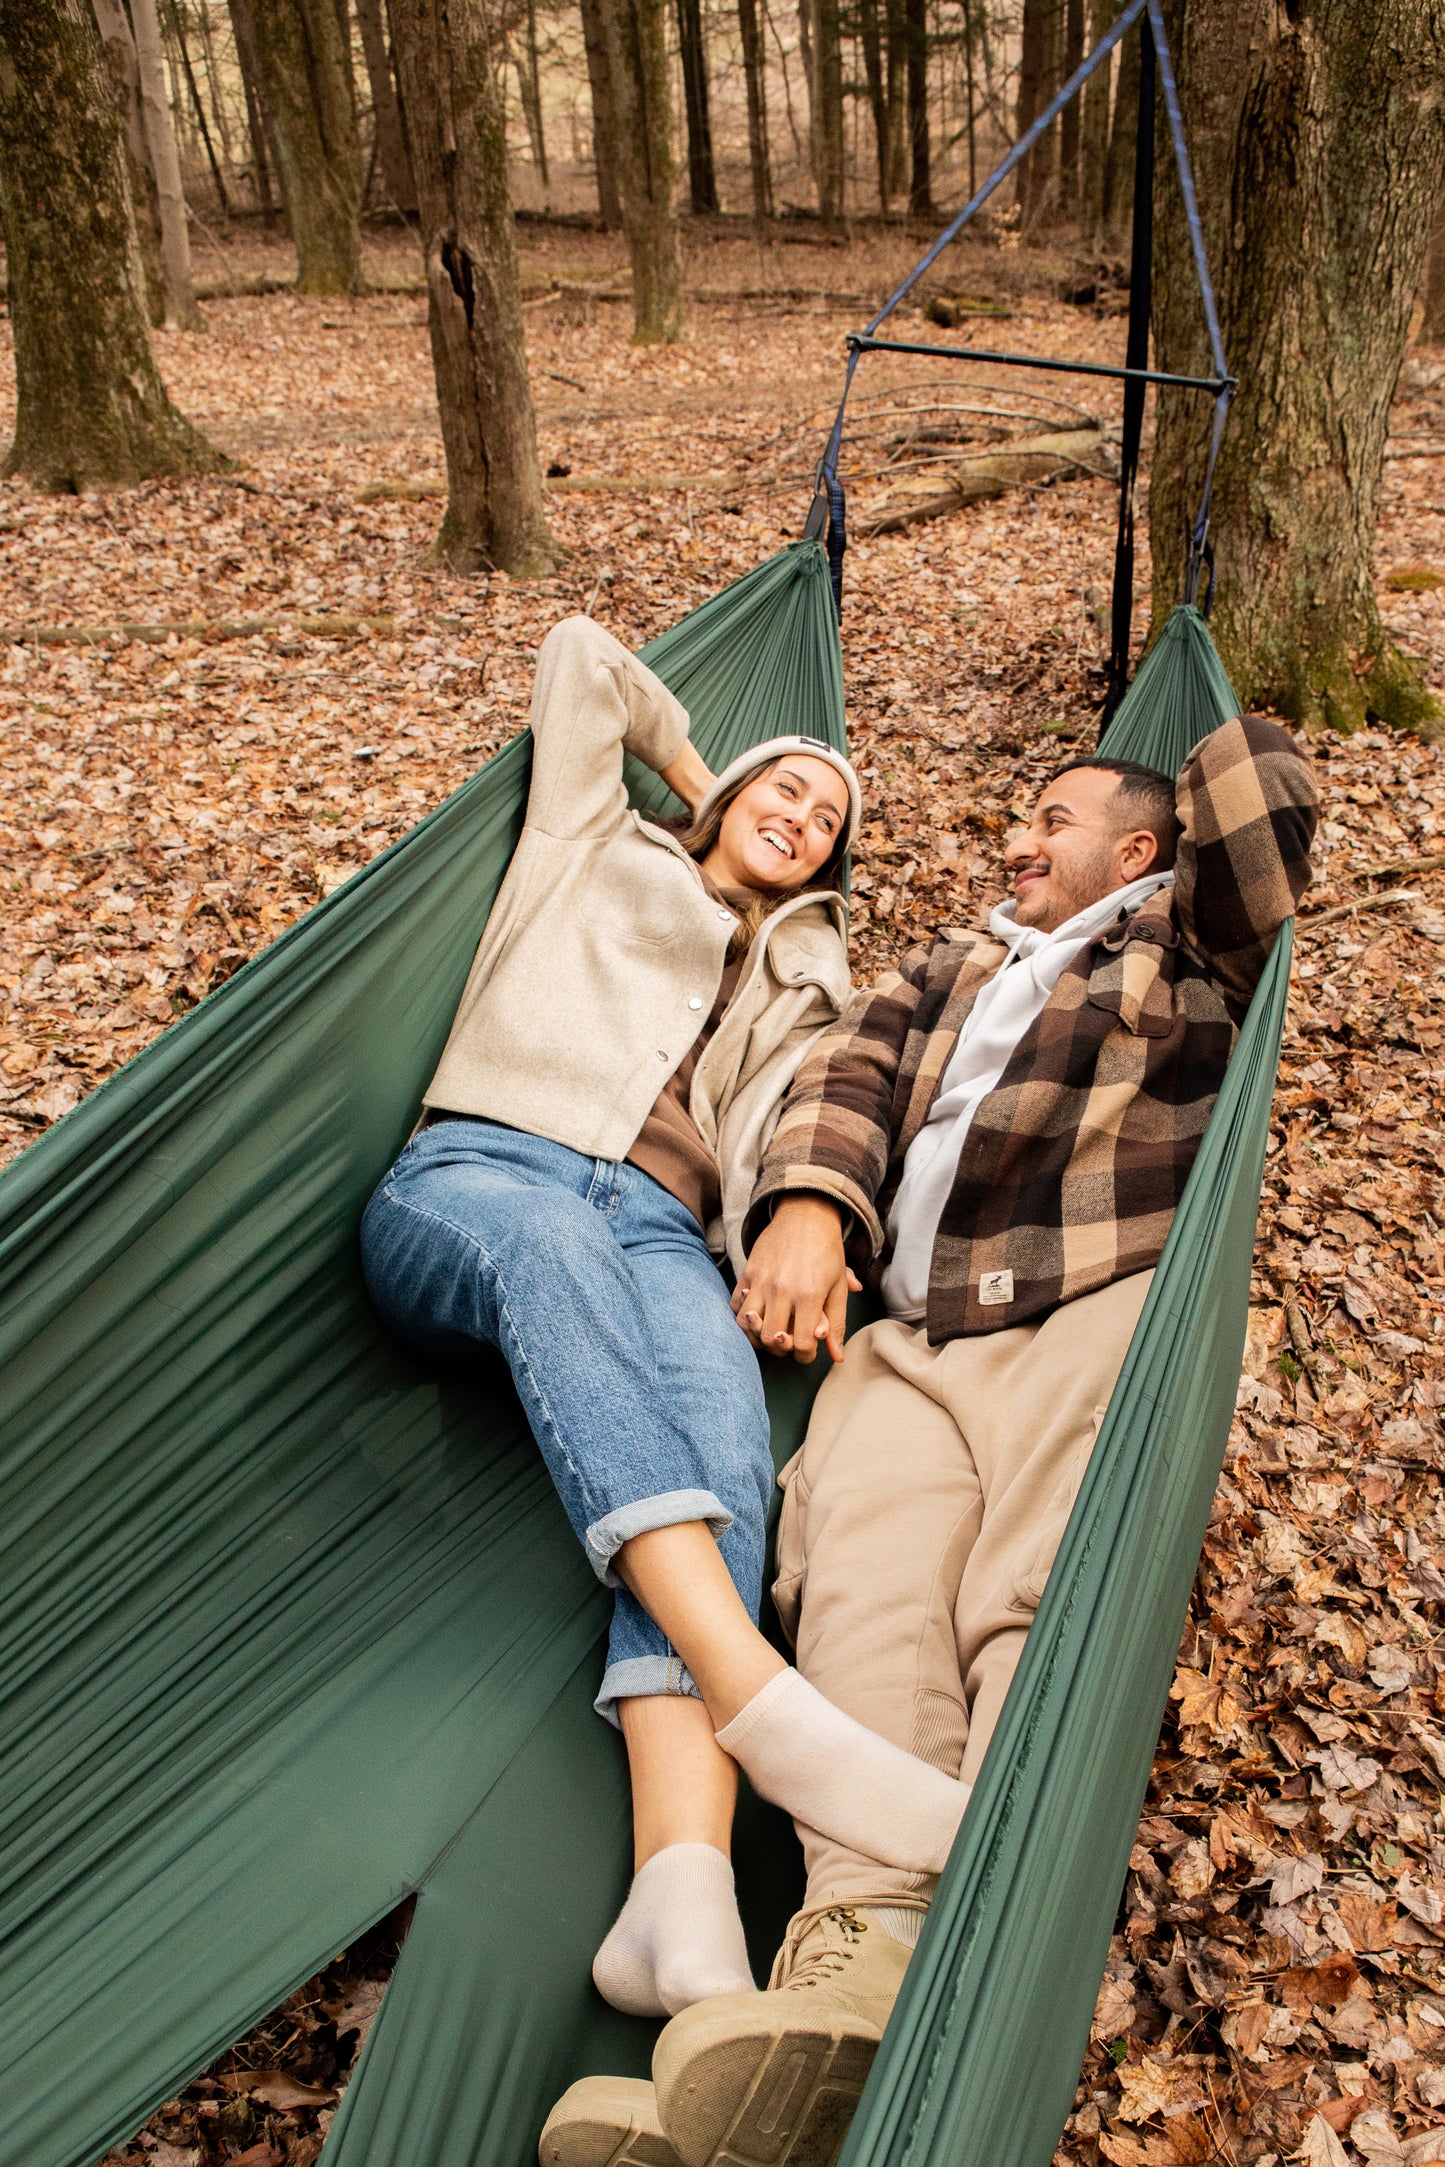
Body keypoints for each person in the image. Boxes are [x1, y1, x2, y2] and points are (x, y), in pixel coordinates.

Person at [541, 711, 1317, 2167]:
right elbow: (841, 1086)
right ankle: (851, 1977)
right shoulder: (942, 969)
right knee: (859, 1606)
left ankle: (980, 1968)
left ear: (1139, 853)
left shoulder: (1185, 947)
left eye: (1050, 818)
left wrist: (1196, 643)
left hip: (1091, 1299)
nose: (1011, 842)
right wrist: (807, 1209)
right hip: (904, 1335)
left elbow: (1259, 797)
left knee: (1019, 1597)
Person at [361, 615, 975, 2027]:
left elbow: (835, 1110)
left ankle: (677, 1897)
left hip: (661, 1229)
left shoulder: (806, 977)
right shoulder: (597, 840)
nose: (803, 814)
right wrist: (704, 776)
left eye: (827, 820)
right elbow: (582, 658)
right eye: (787, 788)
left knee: (720, 1427)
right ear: (726, 793)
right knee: (556, 1251)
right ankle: (757, 1695)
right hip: (484, 1171)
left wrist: (796, 1224)